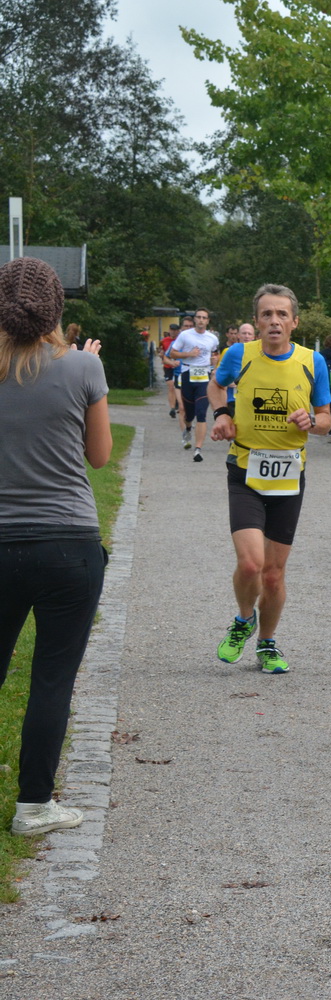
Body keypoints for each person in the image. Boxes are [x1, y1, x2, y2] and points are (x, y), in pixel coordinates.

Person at [0, 258, 110, 837]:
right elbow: (99, 456)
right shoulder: (84, 366)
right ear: (56, 308)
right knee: (52, 679)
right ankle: (34, 807)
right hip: (68, 543)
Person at [207, 284, 331, 674]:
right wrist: (222, 415)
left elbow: (326, 420)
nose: (274, 321)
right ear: (256, 321)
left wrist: (311, 421)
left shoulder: (312, 361)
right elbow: (216, 385)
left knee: (274, 575)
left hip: (289, 476)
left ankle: (267, 643)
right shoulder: (239, 354)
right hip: (245, 470)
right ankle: (244, 619)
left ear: (295, 322)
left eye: (282, 314)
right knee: (251, 565)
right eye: (267, 314)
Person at [167, 308, 219, 461]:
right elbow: (172, 353)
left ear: (208, 321)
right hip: (188, 374)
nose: (201, 320)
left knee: (201, 413)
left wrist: (214, 361)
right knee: (189, 413)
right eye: (199, 317)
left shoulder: (212, 338)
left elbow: (215, 353)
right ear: (195, 319)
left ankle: (198, 449)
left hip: (204, 376)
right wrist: (189, 354)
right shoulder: (185, 335)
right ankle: (188, 428)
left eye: (204, 318)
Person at [159, 323, 180, 414]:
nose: (173, 332)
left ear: (178, 331)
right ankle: (172, 408)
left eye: (175, 330)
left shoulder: (180, 340)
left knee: (177, 386)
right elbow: (161, 351)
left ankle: (177, 403)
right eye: (171, 330)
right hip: (168, 366)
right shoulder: (164, 340)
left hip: (178, 366)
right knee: (171, 386)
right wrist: (161, 355)